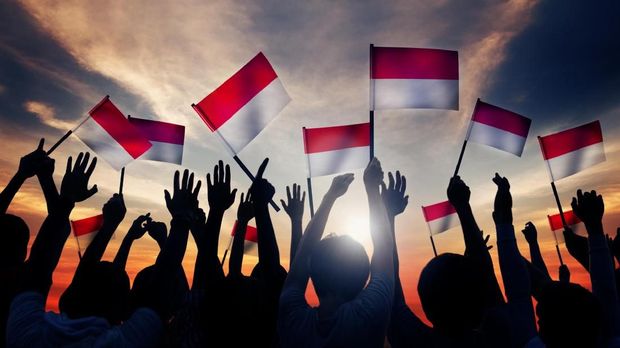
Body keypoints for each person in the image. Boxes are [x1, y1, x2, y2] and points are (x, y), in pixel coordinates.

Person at [6, 152, 163, 347]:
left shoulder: (28, 333)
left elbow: (39, 268)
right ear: (124, 308)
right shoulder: (125, 343)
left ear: (71, 293)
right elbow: (161, 286)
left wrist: (69, 200)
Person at [278, 157, 394, 348]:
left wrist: (330, 197)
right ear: (365, 276)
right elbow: (384, 247)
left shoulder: (292, 318)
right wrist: (373, 189)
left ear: (312, 271)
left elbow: (303, 253)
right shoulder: (371, 314)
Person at [0, 139, 56, 345]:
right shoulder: (25, 286)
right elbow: (55, 230)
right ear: (24, 253)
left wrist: (21, 175)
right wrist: (47, 181)